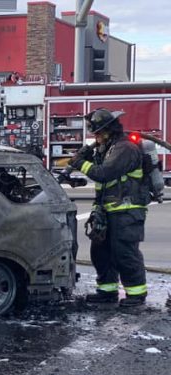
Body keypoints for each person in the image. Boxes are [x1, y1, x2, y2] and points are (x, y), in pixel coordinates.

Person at [67, 108, 148, 308]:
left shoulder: (125, 149)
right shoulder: (107, 148)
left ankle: (136, 294)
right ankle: (107, 290)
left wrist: (80, 163)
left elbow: (104, 174)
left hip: (126, 211)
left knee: (124, 253)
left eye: (97, 133)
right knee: (100, 252)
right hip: (108, 210)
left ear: (108, 131)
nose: (96, 137)